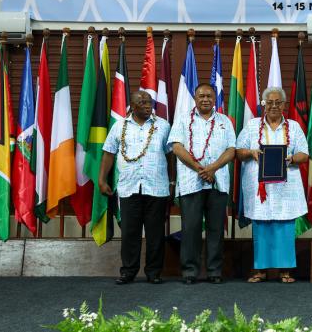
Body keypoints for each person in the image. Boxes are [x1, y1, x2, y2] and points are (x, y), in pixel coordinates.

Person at [236, 87, 309, 283]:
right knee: (262, 227)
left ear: (284, 105)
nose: (274, 106)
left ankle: (285, 270)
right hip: (260, 189)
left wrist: (292, 158)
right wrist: (251, 153)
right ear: (264, 105)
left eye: (278, 102)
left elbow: (305, 154)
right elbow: (238, 152)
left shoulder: (293, 127)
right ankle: (260, 270)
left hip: (286, 190)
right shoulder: (251, 126)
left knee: (284, 227)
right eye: (270, 103)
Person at [99, 91, 172, 285]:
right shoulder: (119, 127)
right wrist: (102, 179)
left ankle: (154, 272)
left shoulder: (163, 126)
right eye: (143, 102)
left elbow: (171, 155)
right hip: (129, 186)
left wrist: (172, 181)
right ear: (132, 105)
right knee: (130, 232)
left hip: (156, 187)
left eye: (149, 102)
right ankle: (128, 271)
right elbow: (108, 153)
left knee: (155, 233)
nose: (148, 106)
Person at [168, 83, 236, 284]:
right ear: (195, 99)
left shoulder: (225, 122)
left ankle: (215, 271)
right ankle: (190, 272)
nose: (205, 99)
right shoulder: (182, 119)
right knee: (191, 229)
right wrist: (201, 169)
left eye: (209, 96)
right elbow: (177, 148)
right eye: (201, 96)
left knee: (216, 229)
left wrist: (212, 168)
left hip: (218, 183)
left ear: (215, 99)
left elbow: (231, 150)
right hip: (191, 184)